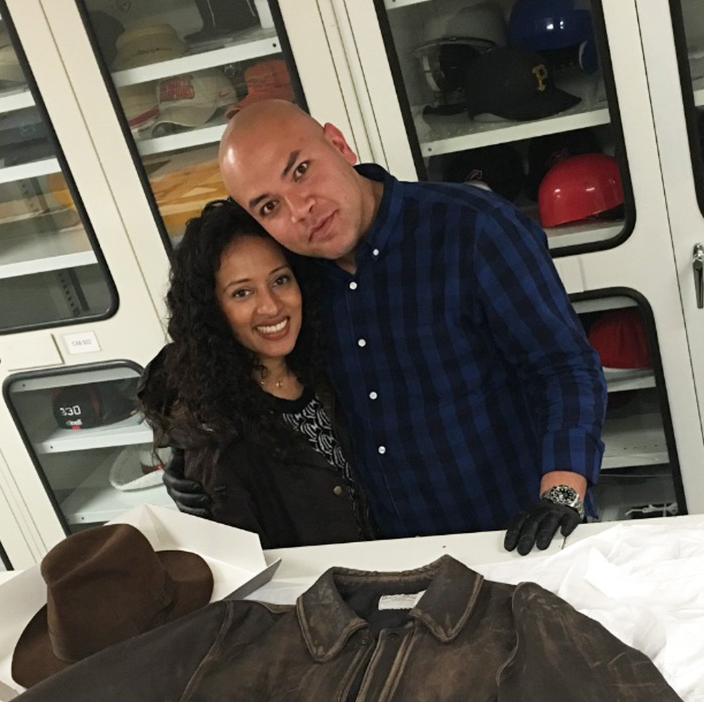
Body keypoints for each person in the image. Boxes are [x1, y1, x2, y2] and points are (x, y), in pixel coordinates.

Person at [165, 99, 607, 556]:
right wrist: (196, 458)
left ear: (339, 145)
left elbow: (564, 367)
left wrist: (562, 491)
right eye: (270, 206)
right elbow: (215, 350)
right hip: (390, 555)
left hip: (516, 534)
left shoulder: (474, 228)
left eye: (300, 171)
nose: (300, 210)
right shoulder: (290, 275)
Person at [140, 198, 375, 549]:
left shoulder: (327, 367)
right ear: (211, 310)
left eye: (280, 280)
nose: (271, 306)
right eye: (242, 292)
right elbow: (247, 574)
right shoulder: (215, 430)